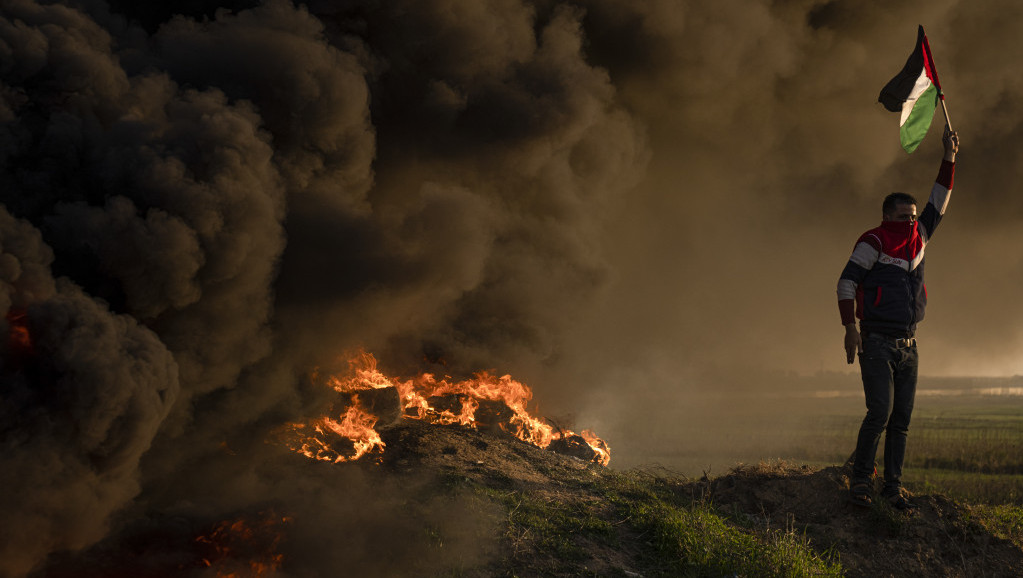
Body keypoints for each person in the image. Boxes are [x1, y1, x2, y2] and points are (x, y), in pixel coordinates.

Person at [837, 127, 959, 510]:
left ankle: (892, 488)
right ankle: (860, 481)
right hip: (876, 342)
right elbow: (845, 283)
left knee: (901, 420)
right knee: (880, 413)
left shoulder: (919, 238)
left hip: (910, 345)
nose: (910, 220)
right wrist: (850, 330)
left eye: (911, 215)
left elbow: (939, 200)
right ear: (886, 215)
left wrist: (949, 157)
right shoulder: (872, 242)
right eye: (902, 215)